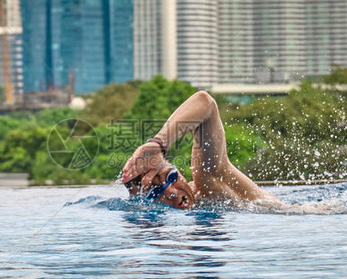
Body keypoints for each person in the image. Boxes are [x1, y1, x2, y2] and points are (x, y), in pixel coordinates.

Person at [121, 90, 330, 213]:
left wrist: (159, 144)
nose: (173, 192)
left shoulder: (208, 184)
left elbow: (205, 102)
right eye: (156, 193)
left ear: (181, 173)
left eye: (172, 178)